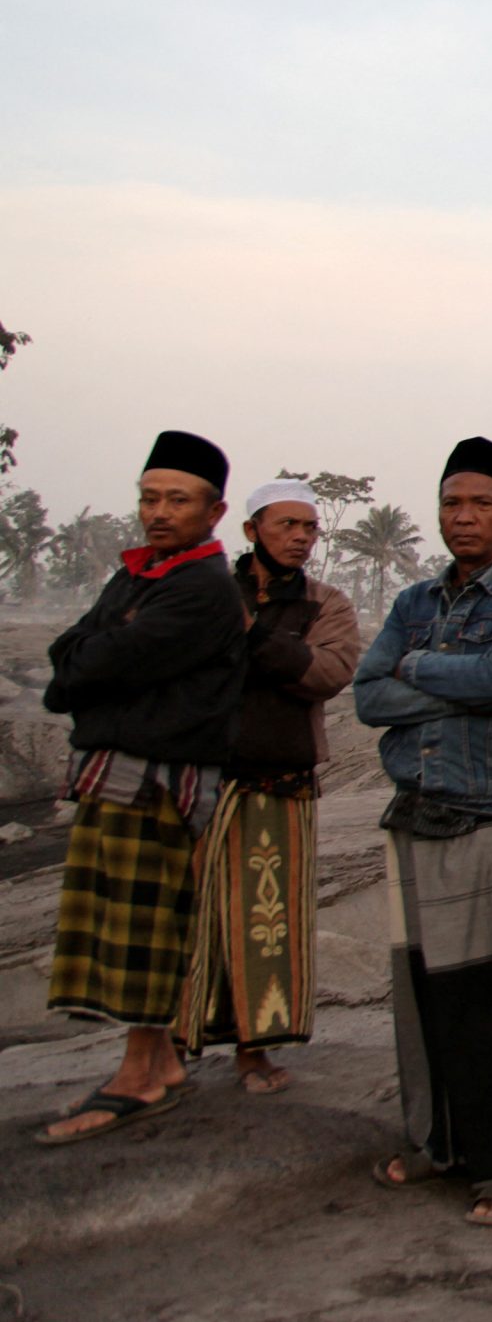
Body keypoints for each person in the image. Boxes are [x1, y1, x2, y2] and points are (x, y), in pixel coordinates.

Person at [355, 437, 492, 1227]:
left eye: (482, 503)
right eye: (453, 502)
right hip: (416, 809)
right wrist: (462, 691)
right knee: (424, 998)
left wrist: (416, 670)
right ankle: (434, 1142)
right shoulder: (414, 602)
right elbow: (365, 696)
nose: (465, 516)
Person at [35, 430, 247, 1146]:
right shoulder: (138, 576)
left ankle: (140, 1073)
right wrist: (98, 670)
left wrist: (97, 674)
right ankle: (158, 1059)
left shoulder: (202, 588)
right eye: (150, 497)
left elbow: (100, 663)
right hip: (121, 774)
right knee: (120, 921)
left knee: (142, 928)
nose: (159, 512)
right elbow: (69, 660)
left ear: (213, 511)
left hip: (157, 786)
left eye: (177, 499)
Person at [174, 478, 360, 1095]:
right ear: (252, 529)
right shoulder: (208, 592)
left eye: (309, 528)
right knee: (189, 916)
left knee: (268, 920)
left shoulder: (325, 602)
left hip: (280, 781)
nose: (301, 538)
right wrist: (278, 656)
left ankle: (256, 1052)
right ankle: (177, 1044)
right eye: (287, 525)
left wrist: (252, 640)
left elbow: (328, 671)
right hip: (199, 777)